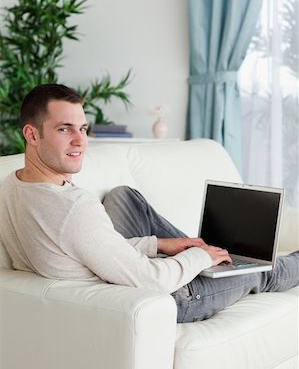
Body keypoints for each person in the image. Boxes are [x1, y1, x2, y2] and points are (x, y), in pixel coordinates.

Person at [0, 83, 298, 323]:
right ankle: (227, 254)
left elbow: (84, 247)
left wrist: (159, 244)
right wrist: (201, 259)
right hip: (169, 296)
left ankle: (210, 248)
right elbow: (151, 280)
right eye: (64, 129)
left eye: (83, 128)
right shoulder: (73, 208)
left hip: (116, 271)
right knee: (261, 268)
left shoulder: (12, 184)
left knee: (123, 195)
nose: (80, 141)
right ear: (32, 134)